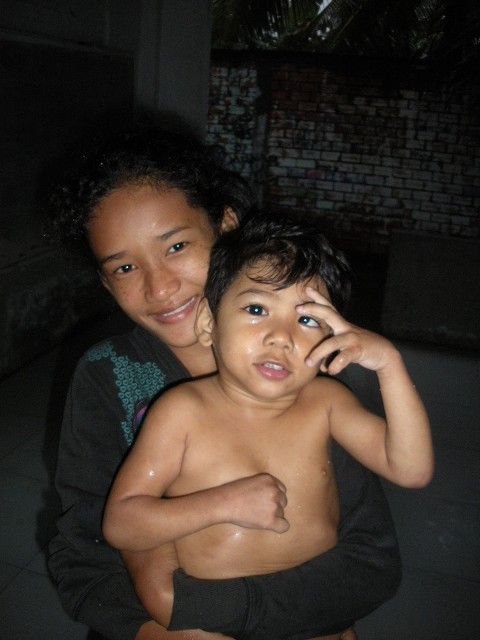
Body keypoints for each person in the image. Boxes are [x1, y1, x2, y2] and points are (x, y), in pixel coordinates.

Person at [47, 125, 402, 640]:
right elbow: (83, 555)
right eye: (124, 267)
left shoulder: (314, 370)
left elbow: (372, 557)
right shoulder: (107, 376)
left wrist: (216, 611)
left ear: (226, 225)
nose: (160, 287)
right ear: (105, 281)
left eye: (176, 246)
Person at [102, 212, 433, 639]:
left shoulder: (327, 404)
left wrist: (389, 364)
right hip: (219, 625)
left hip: (318, 623)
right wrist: (221, 505)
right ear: (209, 324)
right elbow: (122, 523)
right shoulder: (181, 412)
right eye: (257, 309)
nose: (282, 336)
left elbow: (411, 469)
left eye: (308, 319)